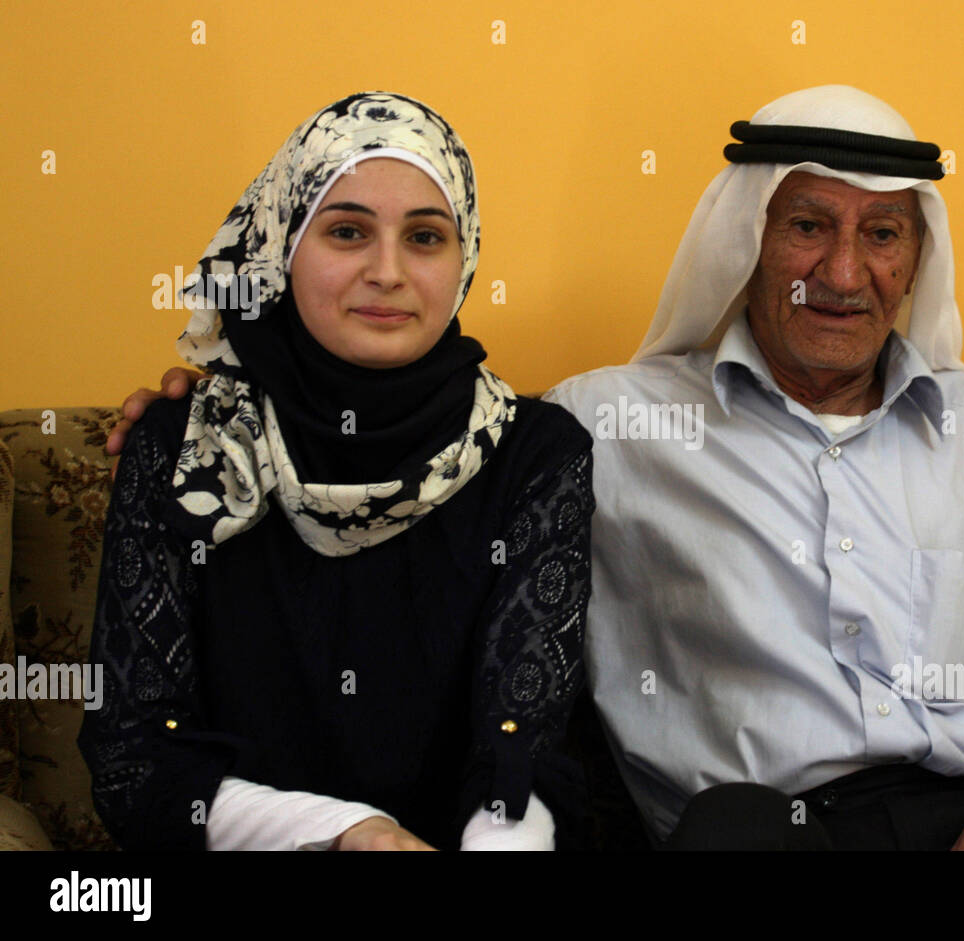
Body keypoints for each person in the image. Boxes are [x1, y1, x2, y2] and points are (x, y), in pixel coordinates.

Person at [111, 86, 964, 850]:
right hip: (783, 836)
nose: (842, 270)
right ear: (745, 239)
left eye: (881, 232)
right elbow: (410, 459)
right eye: (805, 226)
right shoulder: (594, 434)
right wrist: (209, 405)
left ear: (913, 254)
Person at [79, 91, 595, 851]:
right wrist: (346, 831)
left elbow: (524, 744)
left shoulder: (535, 454)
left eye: (425, 236)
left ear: (466, 257)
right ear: (282, 245)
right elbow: (135, 756)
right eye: (348, 231)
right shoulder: (189, 448)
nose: (387, 271)